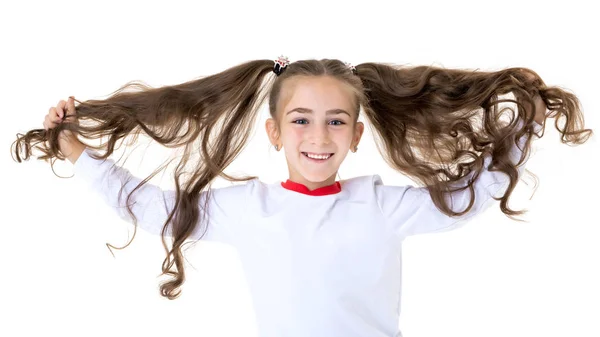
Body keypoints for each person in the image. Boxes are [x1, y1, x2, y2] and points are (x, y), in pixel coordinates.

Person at [12, 56, 592, 337]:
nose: (319, 137)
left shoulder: (381, 206)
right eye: (302, 121)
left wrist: (519, 133)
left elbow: (468, 198)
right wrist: (77, 154)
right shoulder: (246, 211)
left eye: (337, 122)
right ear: (274, 132)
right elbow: (150, 206)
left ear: (358, 135)